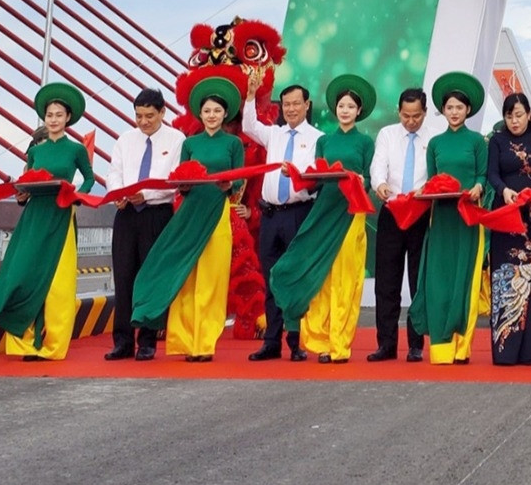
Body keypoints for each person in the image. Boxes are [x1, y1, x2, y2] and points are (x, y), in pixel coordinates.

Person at [0, 83, 95, 361]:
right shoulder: (35, 152)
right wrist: (21, 195)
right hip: (33, 216)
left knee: (56, 282)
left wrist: (78, 196)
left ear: (68, 118)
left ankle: (52, 344)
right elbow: (26, 184)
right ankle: (25, 342)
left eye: (58, 115)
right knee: (24, 275)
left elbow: (89, 178)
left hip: (60, 214)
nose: (53, 119)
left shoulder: (75, 150)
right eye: (49, 115)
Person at [131, 76, 249, 362]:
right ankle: (184, 341)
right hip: (190, 213)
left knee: (212, 278)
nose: (211, 116)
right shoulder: (190, 143)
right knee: (187, 277)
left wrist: (228, 186)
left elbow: (240, 177)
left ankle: (204, 343)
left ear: (225, 114)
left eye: (217, 111)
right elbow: (181, 176)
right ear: (200, 114)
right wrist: (182, 184)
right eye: (207, 111)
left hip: (217, 214)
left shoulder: (233, 144)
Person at [269, 75, 375, 364]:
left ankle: (340, 345)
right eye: (341, 105)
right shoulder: (325, 140)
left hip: (350, 213)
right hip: (323, 211)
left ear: (359, 111)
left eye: (351, 107)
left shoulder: (366, 142)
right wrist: (298, 176)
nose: (345, 110)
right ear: (335, 108)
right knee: (323, 278)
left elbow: (368, 181)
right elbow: (316, 179)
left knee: (345, 278)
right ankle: (322, 341)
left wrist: (360, 181)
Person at [412, 72, 489, 365]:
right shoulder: (435, 143)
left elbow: (482, 175)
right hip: (441, 217)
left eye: (459, 107)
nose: (454, 112)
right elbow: (432, 179)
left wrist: (478, 187)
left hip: (468, 216)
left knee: (464, 278)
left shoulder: (477, 141)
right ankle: (441, 346)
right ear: (442, 110)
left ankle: (463, 347)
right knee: (440, 278)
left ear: (468, 110)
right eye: (449, 107)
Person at [243, 80, 322, 362]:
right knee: (272, 279)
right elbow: (249, 126)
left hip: (297, 214)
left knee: (296, 279)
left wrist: (299, 178)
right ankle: (272, 342)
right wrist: (251, 96)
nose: (290, 109)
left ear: (307, 105)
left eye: (296, 104)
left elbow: (317, 178)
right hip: (270, 216)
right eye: (286, 104)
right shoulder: (275, 134)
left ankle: (296, 341)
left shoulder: (317, 138)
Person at [103, 87, 184, 361]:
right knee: (123, 277)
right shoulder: (125, 139)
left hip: (157, 214)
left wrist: (145, 194)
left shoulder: (177, 140)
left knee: (151, 277)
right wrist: (118, 193)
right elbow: (114, 172)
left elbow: (174, 181)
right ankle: (122, 342)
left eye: (150, 115)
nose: (144, 121)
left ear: (162, 112)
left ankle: (147, 340)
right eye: (139, 116)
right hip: (126, 214)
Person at [486, 91, 531, 366]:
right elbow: (492, 174)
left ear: (528, 114)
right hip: (506, 215)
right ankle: (506, 349)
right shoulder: (497, 141)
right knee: (506, 278)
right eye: (509, 116)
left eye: (519, 115)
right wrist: (503, 191)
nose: (514, 121)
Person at [369, 87, 437, 362]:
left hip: (421, 212)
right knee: (386, 282)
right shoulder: (387, 134)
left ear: (425, 113)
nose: (411, 121)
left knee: (418, 281)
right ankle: (386, 344)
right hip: (392, 211)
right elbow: (378, 165)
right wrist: (380, 183)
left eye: (417, 116)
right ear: (399, 111)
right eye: (406, 116)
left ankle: (415, 344)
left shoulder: (433, 137)